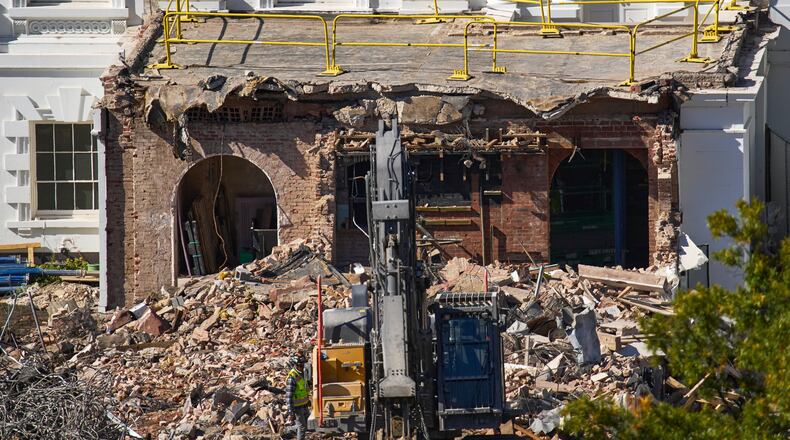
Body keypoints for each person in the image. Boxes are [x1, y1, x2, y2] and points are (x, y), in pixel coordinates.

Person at [285, 354, 310, 440]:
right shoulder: (292, 377)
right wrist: (291, 412)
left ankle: (287, 430)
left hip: (304, 405)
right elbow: (288, 397)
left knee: (305, 426)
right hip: (297, 407)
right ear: (295, 365)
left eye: (302, 365)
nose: (301, 367)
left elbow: (303, 388)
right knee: (302, 427)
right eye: (299, 365)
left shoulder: (302, 374)